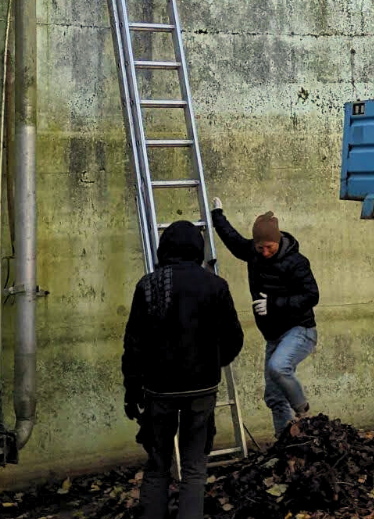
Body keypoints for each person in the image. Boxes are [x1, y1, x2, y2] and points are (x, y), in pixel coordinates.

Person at [122, 220, 244, 519]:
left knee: (157, 465)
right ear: (198, 249)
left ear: (165, 249)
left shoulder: (148, 285)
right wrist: (213, 363)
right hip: (202, 389)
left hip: (158, 390)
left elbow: (134, 344)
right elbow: (234, 339)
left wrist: (132, 389)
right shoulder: (216, 285)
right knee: (194, 468)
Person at [211, 198, 319, 436]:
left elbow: (312, 295)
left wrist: (274, 304)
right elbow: (233, 240)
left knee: (278, 367)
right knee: (273, 396)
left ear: (278, 240)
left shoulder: (296, 262)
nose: (266, 252)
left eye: (270, 246)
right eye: (261, 248)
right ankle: (285, 443)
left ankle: (303, 411)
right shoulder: (254, 253)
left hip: (301, 330)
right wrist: (217, 214)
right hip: (274, 335)